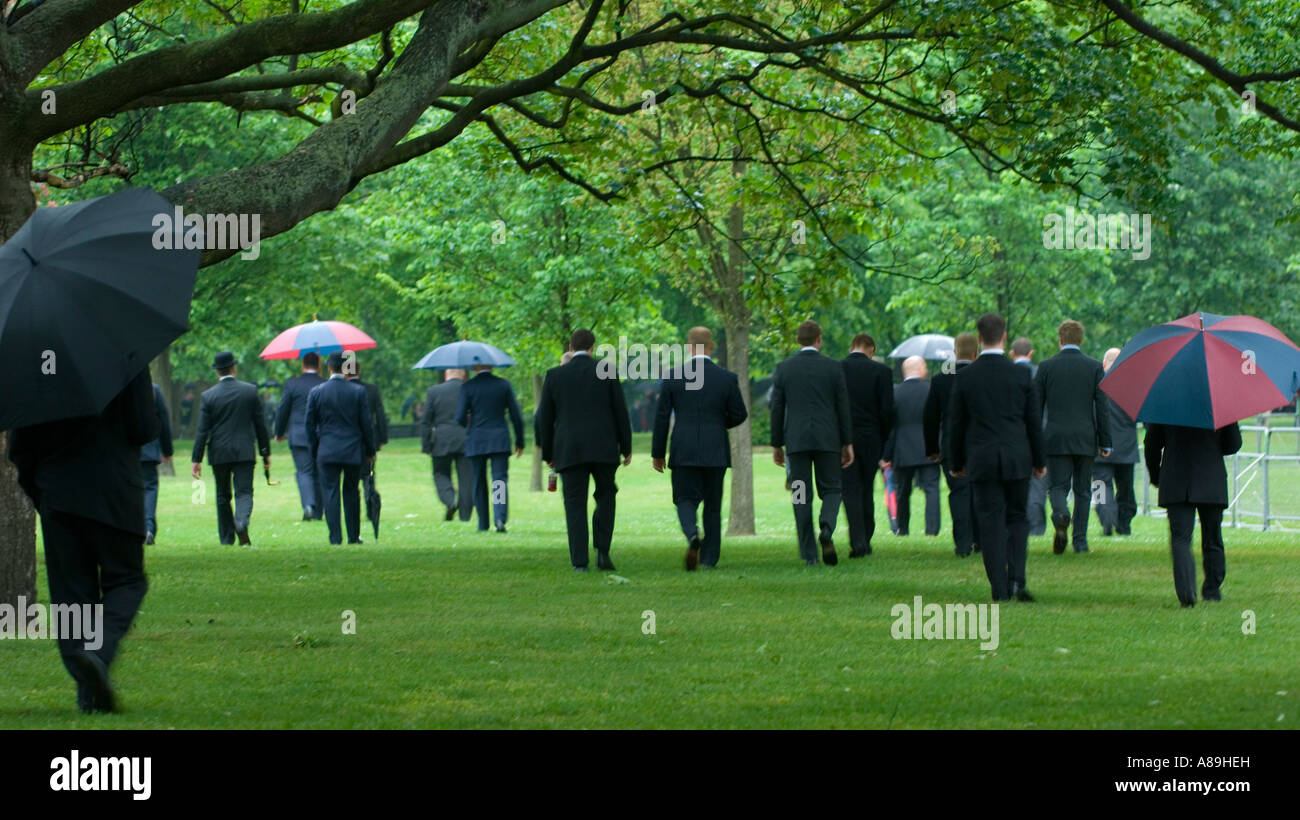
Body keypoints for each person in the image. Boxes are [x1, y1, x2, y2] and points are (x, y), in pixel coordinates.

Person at [8, 367, 159, 713]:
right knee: (127, 580)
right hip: (115, 489)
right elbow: (142, 426)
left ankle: (88, 691)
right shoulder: (125, 352)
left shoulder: (36, 361)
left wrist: (40, 490)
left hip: (58, 490)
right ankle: (98, 653)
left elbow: (21, 446)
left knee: (72, 595)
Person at [949, 313, 1046, 601]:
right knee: (1018, 519)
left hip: (982, 459)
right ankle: (1018, 579)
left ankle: (999, 587)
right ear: (1004, 338)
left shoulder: (966, 376)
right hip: (1017, 457)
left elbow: (957, 424)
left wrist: (956, 462)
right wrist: (1039, 461)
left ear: (979, 338)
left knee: (990, 523)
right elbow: (1033, 422)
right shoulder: (1021, 374)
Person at [651, 327, 749, 570]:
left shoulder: (673, 377)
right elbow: (740, 414)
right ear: (711, 347)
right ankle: (710, 559)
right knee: (713, 506)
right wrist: (717, 424)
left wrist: (657, 453)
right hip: (715, 449)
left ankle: (693, 534)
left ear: (688, 347)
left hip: (683, 448)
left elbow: (662, 417)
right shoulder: (726, 378)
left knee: (684, 499)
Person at [536, 329, 632, 571]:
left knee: (574, 504)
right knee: (606, 498)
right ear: (593, 347)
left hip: (569, 449)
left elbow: (545, 419)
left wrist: (548, 453)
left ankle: (580, 561)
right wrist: (626, 447)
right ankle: (603, 552)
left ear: (570, 347)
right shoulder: (607, 371)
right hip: (604, 447)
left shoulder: (554, 376)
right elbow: (621, 411)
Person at [770, 320, 854, 567]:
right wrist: (847, 442)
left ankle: (809, 554)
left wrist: (777, 444)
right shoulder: (833, 367)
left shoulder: (784, 369)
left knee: (800, 495)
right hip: (828, 439)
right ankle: (826, 527)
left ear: (798, 341)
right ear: (819, 339)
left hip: (796, 442)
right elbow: (842, 407)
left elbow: (777, 408)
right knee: (832, 489)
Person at [1144, 422, 1242, 606]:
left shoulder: (1166, 402)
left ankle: (1186, 593)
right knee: (1212, 537)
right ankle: (1213, 589)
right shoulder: (1218, 402)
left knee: (1180, 539)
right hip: (1210, 478)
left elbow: (1151, 444)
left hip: (1176, 479)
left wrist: (1156, 476)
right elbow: (1233, 444)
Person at [1035, 320, 1111, 554]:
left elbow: (1036, 408)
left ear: (1060, 339)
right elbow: (1102, 406)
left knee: (1057, 486)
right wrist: (1105, 441)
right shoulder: (1095, 367)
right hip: (1085, 437)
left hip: (1056, 437)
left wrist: (1034, 441)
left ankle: (1060, 515)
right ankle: (1080, 541)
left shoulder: (1046, 367)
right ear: (1081, 340)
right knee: (1083, 491)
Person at [191, 351, 271, 546]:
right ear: (234, 368)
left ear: (217, 371)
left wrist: (196, 458)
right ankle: (242, 522)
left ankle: (227, 538)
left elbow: (202, 430)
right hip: (244, 451)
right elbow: (260, 425)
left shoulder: (208, 396)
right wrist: (265, 452)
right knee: (244, 492)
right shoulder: (250, 391)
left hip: (219, 451)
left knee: (222, 495)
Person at [306, 353, 376, 545]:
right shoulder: (357, 392)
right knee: (352, 491)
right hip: (352, 450)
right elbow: (366, 425)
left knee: (330, 492)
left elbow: (309, 426)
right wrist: (370, 451)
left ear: (328, 368)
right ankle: (353, 536)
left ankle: (335, 537)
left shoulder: (316, 392)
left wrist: (314, 450)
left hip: (326, 450)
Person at [924, 332, 980, 557]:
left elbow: (929, 417)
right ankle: (981, 540)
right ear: (976, 353)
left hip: (950, 446)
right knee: (980, 493)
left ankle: (962, 544)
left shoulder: (940, 379)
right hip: (980, 445)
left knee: (958, 493)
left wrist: (932, 449)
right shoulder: (984, 376)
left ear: (955, 353)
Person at [455, 363, 525, 533]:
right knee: (499, 480)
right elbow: (516, 415)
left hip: (476, 439)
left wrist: (469, 423)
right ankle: (499, 518)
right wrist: (520, 441)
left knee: (479, 482)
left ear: (475, 367)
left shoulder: (468, 386)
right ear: (491, 366)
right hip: (499, 439)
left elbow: (459, 417)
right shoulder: (503, 385)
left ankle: (483, 523)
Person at [840, 333, 893, 556]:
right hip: (872, 437)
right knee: (867, 487)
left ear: (852, 346)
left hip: (845, 439)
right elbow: (888, 411)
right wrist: (884, 439)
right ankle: (867, 536)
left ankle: (857, 539)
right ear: (871, 349)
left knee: (850, 488)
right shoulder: (882, 372)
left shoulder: (838, 368)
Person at [881, 355, 940, 537]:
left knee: (902, 492)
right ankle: (931, 530)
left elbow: (890, 427)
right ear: (921, 369)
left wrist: (886, 455)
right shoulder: (932, 390)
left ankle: (902, 528)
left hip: (903, 449)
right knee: (931, 490)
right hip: (929, 448)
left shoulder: (895, 393)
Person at [273, 352, 325, 521]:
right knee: (319, 472)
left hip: (299, 435)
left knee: (304, 472)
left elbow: (283, 410)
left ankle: (308, 505)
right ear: (319, 365)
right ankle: (318, 511)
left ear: (303, 365)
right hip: (321, 436)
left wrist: (279, 432)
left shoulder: (292, 384)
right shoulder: (324, 384)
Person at [1094, 347, 1139, 536]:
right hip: (1126, 448)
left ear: (1104, 362)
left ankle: (1106, 518)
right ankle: (1124, 524)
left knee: (1100, 487)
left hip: (1099, 447)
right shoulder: (1132, 386)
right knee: (1126, 489)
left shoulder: (1095, 384)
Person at [421, 368, 472, 522]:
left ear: (446, 374)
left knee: (440, 474)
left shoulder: (434, 391)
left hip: (441, 440)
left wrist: (426, 445)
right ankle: (465, 516)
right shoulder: (469, 389)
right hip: (466, 440)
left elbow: (426, 421)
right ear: (463, 374)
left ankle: (450, 501)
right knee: (467, 479)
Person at [1012, 337, 1048, 537]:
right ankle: (1036, 527)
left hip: (1014, 438)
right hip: (1040, 435)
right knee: (1038, 485)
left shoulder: (1006, 375)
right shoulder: (1040, 374)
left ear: (1012, 353)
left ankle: (1017, 523)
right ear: (1031, 353)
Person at [140, 382, 173, 545]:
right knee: (149, 488)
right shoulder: (152, 389)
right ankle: (148, 527)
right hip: (147, 450)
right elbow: (163, 419)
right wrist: (167, 450)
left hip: (123, 452)